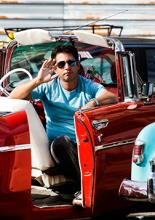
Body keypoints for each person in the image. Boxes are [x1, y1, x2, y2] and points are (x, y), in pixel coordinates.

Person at [9, 45, 118, 196]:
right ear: (55, 68)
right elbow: (13, 98)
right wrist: (38, 80)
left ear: (78, 65)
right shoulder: (48, 86)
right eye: (61, 64)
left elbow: (112, 97)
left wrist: (94, 102)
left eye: (71, 63)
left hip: (85, 144)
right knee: (61, 143)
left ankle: (90, 190)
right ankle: (86, 189)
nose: (67, 67)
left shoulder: (87, 85)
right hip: (60, 147)